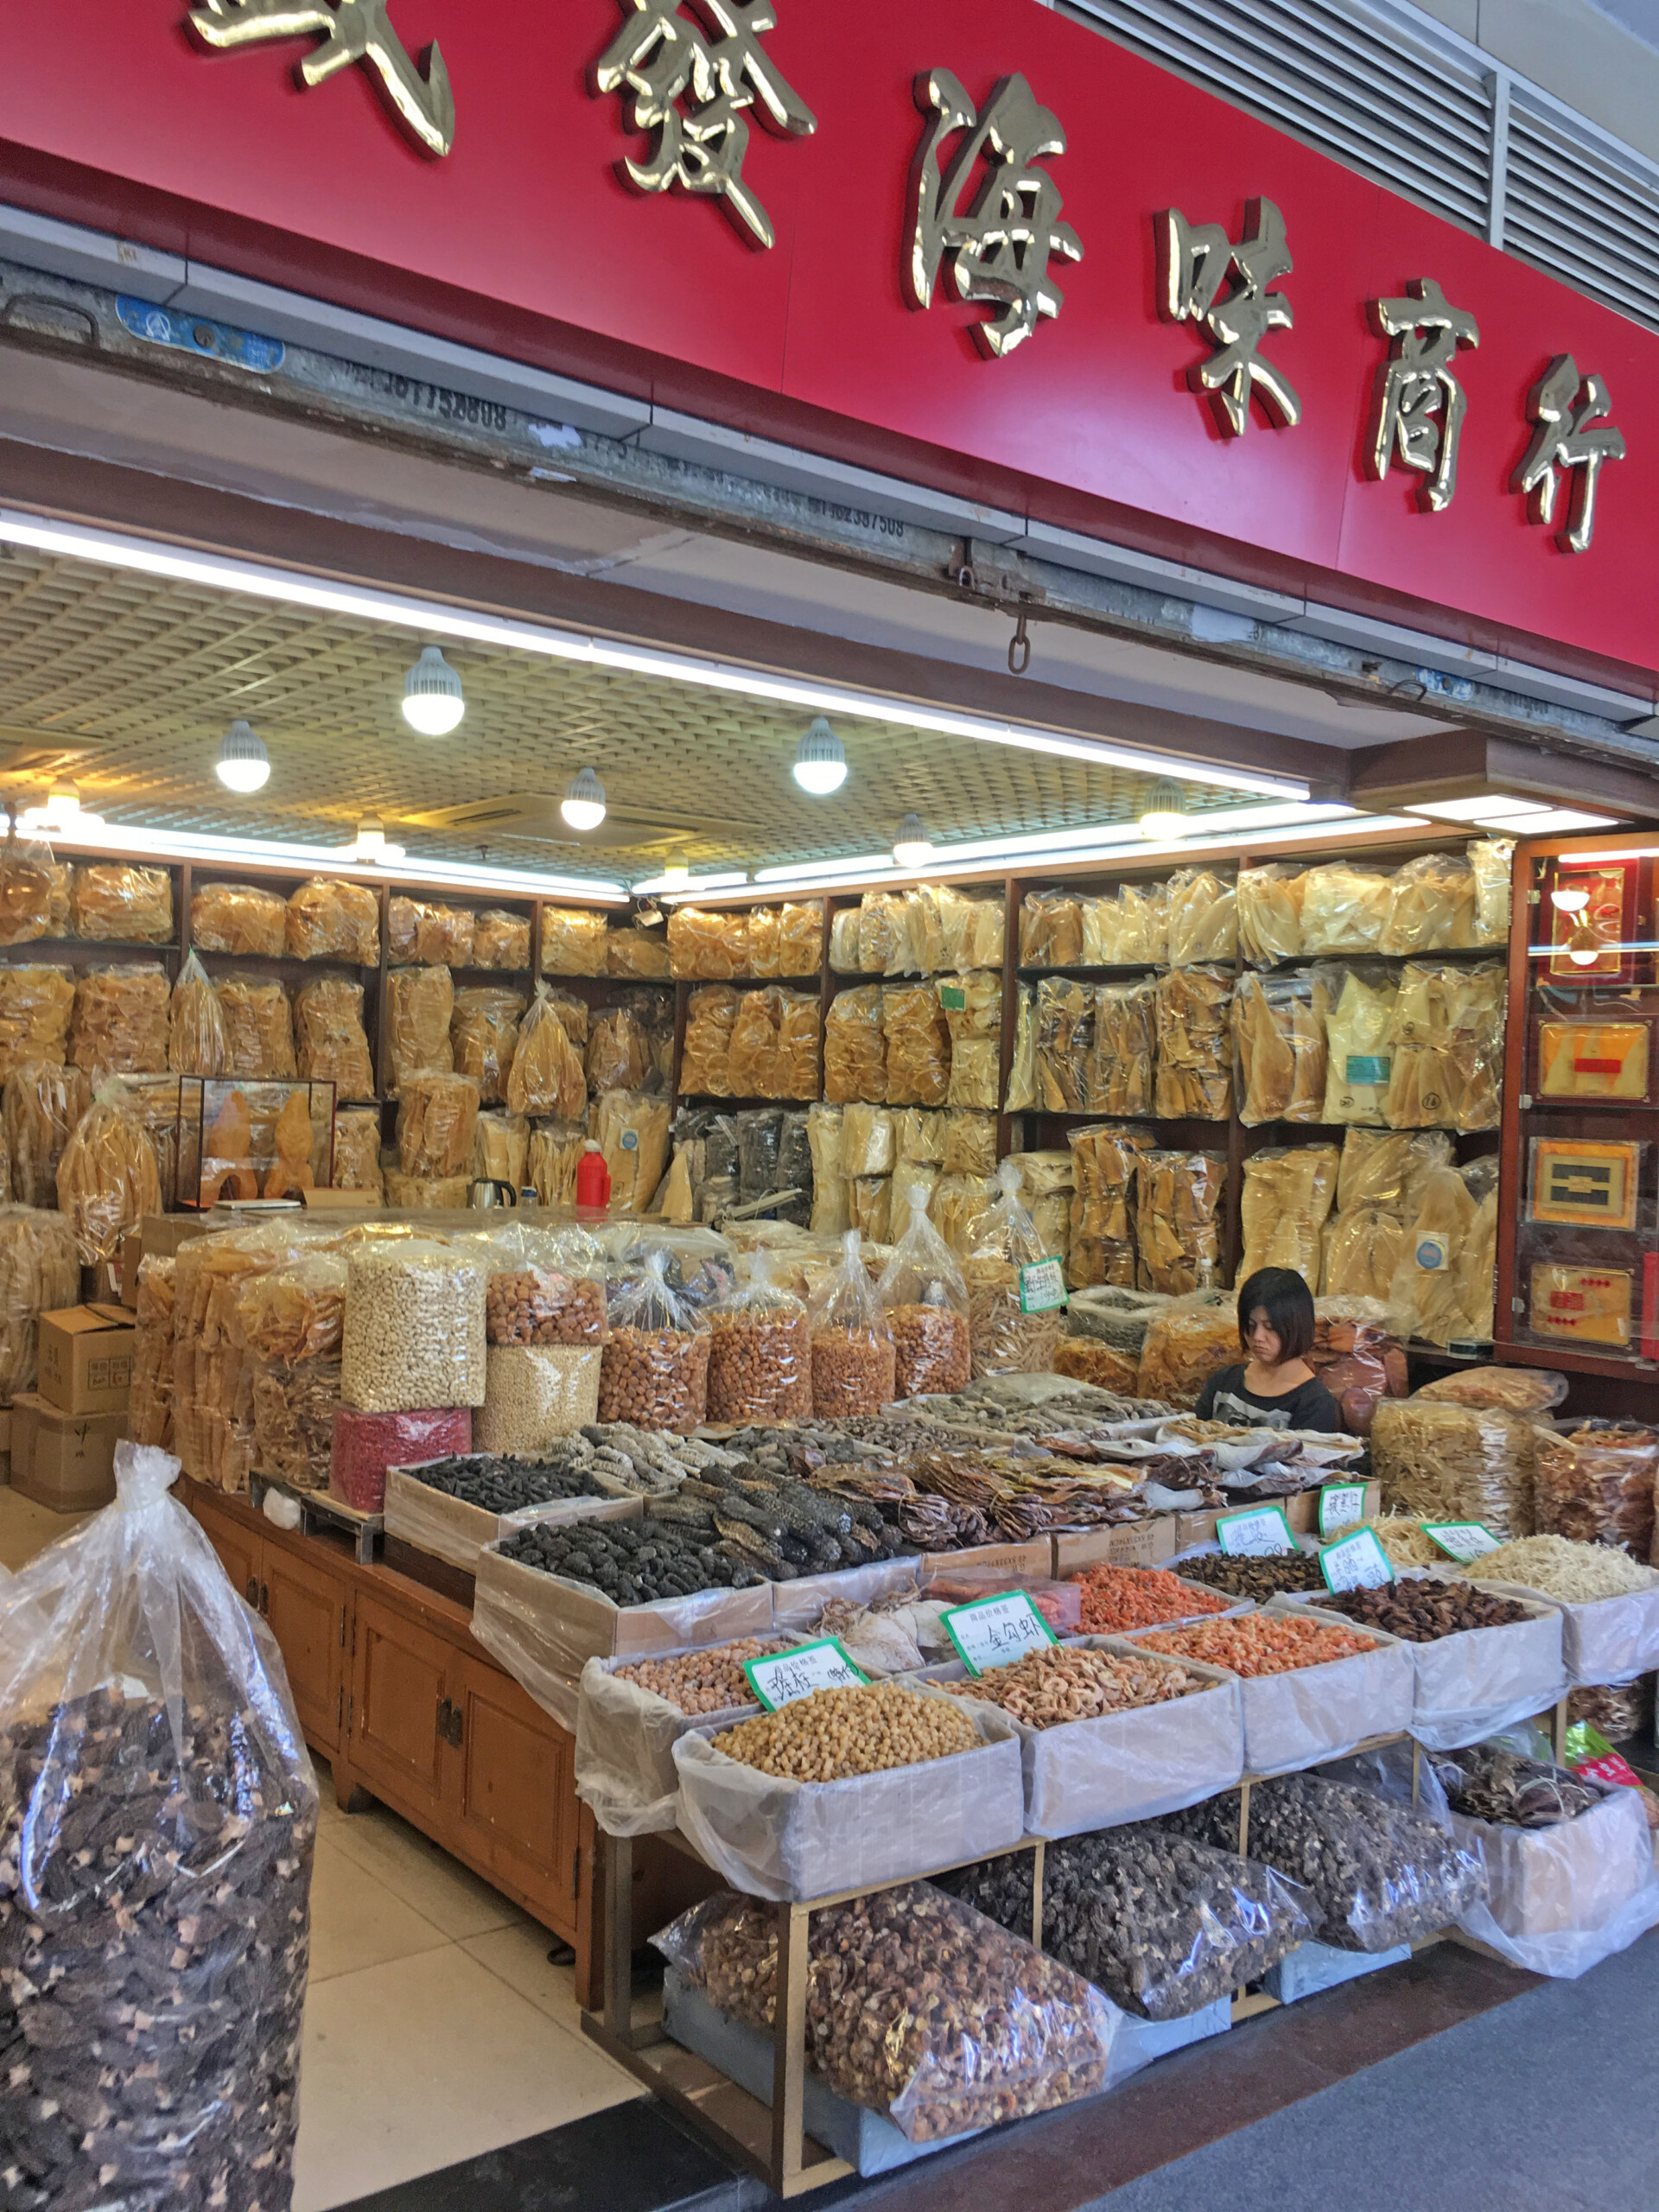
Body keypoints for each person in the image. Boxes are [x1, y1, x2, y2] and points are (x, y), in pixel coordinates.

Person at [1194, 1267, 1342, 1431]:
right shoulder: (1224, 1380)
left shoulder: (1314, 1403)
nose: (1258, 1336)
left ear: (1297, 1326)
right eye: (1251, 1326)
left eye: (1270, 1327)